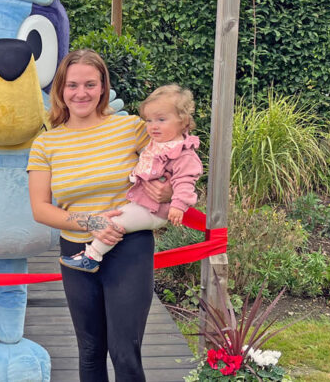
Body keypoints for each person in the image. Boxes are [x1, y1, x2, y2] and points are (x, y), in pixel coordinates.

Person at [27, 49, 171, 381]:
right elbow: (40, 209)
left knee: (124, 352)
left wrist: (168, 190)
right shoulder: (45, 144)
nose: (81, 93)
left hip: (129, 249)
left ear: (103, 87)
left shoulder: (131, 128)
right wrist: (93, 222)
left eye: (90, 84)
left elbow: (175, 163)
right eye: (73, 85)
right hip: (76, 252)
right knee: (90, 351)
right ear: (61, 89)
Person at [60, 84, 202, 273]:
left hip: (153, 210)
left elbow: (185, 181)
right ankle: (91, 255)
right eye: (149, 120)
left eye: (161, 119)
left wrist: (177, 205)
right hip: (144, 204)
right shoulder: (161, 142)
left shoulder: (182, 153)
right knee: (116, 217)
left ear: (183, 121)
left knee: (115, 223)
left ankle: (92, 257)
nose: (153, 126)